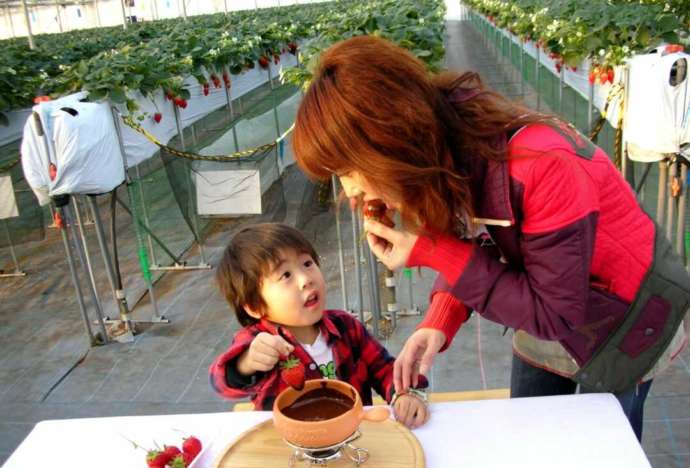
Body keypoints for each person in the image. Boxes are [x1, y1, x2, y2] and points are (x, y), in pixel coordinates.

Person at [291, 35, 690, 441]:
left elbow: (555, 314)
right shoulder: (452, 154)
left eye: (348, 169)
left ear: (389, 144)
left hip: (627, 318)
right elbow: (476, 240)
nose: (351, 191)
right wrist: (439, 320)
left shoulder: (544, 166)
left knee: (606, 458)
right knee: (532, 438)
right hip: (548, 308)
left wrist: (431, 250)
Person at [209, 222, 429, 429]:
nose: (306, 279)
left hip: (353, 436)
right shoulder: (259, 342)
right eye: (286, 275)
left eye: (307, 263)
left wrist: (405, 394)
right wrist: (246, 364)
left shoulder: (346, 326)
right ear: (255, 306)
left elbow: (383, 369)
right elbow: (221, 383)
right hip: (289, 446)